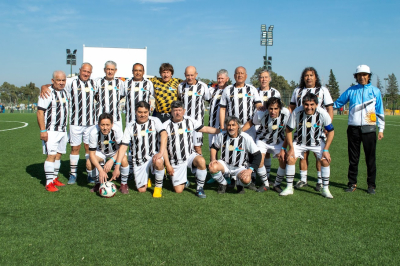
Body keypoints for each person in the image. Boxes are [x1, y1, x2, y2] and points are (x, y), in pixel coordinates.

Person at [41, 63, 99, 185]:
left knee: (89, 148)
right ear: (80, 70)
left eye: (88, 72)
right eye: (84, 71)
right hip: (75, 123)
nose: (86, 74)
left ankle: (89, 174)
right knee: (75, 148)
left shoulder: (94, 83)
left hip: (91, 124)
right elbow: (54, 85)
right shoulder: (70, 82)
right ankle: (73, 174)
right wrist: (43, 87)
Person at [333, 65, 384, 194]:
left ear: (368, 76)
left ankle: (371, 185)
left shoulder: (375, 91)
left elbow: (380, 111)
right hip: (353, 129)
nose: (362, 77)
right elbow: (338, 103)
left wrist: (381, 129)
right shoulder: (351, 90)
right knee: (353, 158)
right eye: (359, 75)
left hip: (370, 129)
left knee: (370, 158)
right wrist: (323, 105)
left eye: (364, 74)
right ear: (356, 76)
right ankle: (352, 183)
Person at [281, 92, 335, 198]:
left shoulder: (323, 113)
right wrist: (291, 148)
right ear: (302, 104)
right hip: (300, 142)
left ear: (316, 104)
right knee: (290, 158)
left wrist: (326, 150)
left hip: (317, 142)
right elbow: (288, 130)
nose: (309, 107)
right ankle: (289, 187)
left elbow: (331, 131)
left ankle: (325, 189)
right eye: (306, 104)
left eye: (311, 104)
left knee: (325, 160)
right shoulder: (297, 112)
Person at [163, 101, 220, 198]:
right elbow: (163, 147)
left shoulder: (189, 121)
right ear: (171, 112)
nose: (178, 113)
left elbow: (205, 129)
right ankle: (184, 181)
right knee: (178, 190)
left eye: (180, 110)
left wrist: (222, 131)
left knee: (201, 161)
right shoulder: (165, 126)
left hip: (190, 155)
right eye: (175, 110)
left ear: (184, 111)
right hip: (176, 160)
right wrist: (168, 165)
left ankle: (200, 189)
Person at [289, 67, 334, 191]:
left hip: (318, 128)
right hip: (300, 127)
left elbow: (329, 108)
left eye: (311, 75)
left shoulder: (323, 90)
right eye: (306, 75)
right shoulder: (298, 90)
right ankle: (303, 179)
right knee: (303, 154)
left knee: (318, 154)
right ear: (303, 78)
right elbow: (291, 107)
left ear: (316, 77)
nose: (308, 77)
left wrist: (327, 125)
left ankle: (320, 181)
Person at [112, 101, 167, 197]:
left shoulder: (155, 121)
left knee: (158, 161)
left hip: (153, 155)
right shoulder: (130, 125)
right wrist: (117, 167)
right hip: (138, 159)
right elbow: (124, 146)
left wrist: (160, 153)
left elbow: (164, 134)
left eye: (145, 112)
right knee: (141, 190)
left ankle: (158, 188)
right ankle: (148, 177)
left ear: (149, 111)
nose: (143, 115)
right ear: (135, 112)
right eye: (140, 112)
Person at [242, 97, 290, 193]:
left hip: (278, 142)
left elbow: (289, 131)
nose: (273, 111)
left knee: (283, 160)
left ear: (280, 108)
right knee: (259, 160)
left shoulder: (286, 114)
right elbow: (251, 122)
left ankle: (277, 185)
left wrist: (284, 148)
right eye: (271, 108)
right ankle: (266, 184)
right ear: (267, 108)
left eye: (276, 108)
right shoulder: (260, 113)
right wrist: (240, 132)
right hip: (262, 140)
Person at [208, 116, 261, 194]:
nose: (231, 127)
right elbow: (214, 147)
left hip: (239, 167)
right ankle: (223, 183)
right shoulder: (222, 135)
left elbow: (258, 155)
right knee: (212, 167)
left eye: (233, 125)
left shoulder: (246, 137)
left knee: (246, 179)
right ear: (226, 126)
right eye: (229, 125)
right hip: (225, 164)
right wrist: (213, 159)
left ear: (238, 126)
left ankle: (240, 184)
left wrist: (250, 170)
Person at [37, 71, 69, 192]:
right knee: (51, 155)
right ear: (52, 81)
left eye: (63, 80)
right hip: (51, 131)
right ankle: (48, 182)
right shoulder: (47, 93)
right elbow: (40, 112)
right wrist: (43, 130)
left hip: (62, 130)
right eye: (58, 80)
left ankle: (54, 178)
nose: (61, 83)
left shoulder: (65, 92)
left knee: (58, 155)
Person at [88, 113, 129, 193]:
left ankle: (123, 184)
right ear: (98, 124)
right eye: (102, 125)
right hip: (101, 152)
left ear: (112, 124)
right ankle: (98, 183)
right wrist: (101, 170)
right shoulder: (93, 132)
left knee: (123, 159)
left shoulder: (117, 130)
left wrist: (112, 160)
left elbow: (122, 148)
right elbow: (92, 154)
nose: (105, 128)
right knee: (89, 163)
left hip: (116, 151)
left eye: (108, 125)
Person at [219, 66, 262, 140]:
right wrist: (223, 126)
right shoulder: (227, 89)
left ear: (246, 76)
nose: (240, 75)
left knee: (249, 150)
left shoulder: (252, 89)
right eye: (238, 73)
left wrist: (261, 107)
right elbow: (222, 109)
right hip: (232, 127)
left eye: (242, 73)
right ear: (234, 76)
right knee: (232, 149)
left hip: (249, 127)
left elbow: (258, 104)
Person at [256, 69, 281, 179]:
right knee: (258, 151)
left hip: (271, 125)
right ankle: (256, 175)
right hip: (257, 125)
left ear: (270, 79)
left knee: (267, 151)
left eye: (266, 77)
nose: (264, 79)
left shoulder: (275, 93)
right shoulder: (254, 91)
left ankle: (268, 175)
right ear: (259, 79)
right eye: (262, 77)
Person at [178, 66, 210, 154]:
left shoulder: (203, 86)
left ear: (196, 74)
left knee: (197, 147)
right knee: (183, 145)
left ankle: (199, 168)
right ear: (185, 75)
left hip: (198, 122)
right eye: (188, 75)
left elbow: (209, 99)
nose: (190, 77)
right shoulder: (181, 86)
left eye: (192, 75)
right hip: (184, 122)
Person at [94, 61, 125, 135]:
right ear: (104, 70)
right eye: (108, 69)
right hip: (100, 116)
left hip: (116, 117)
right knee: (99, 138)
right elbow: (95, 95)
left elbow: (121, 96)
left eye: (112, 69)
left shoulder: (120, 83)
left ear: (115, 70)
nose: (110, 71)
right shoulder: (98, 82)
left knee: (118, 140)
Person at [208, 69, 230, 147]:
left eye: (222, 78)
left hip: (225, 126)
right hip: (212, 126)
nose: (220, 80)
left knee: (225, 150)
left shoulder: (230, 90)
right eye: (218, 78)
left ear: (227, 79)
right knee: (212, 149)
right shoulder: (211, 90)